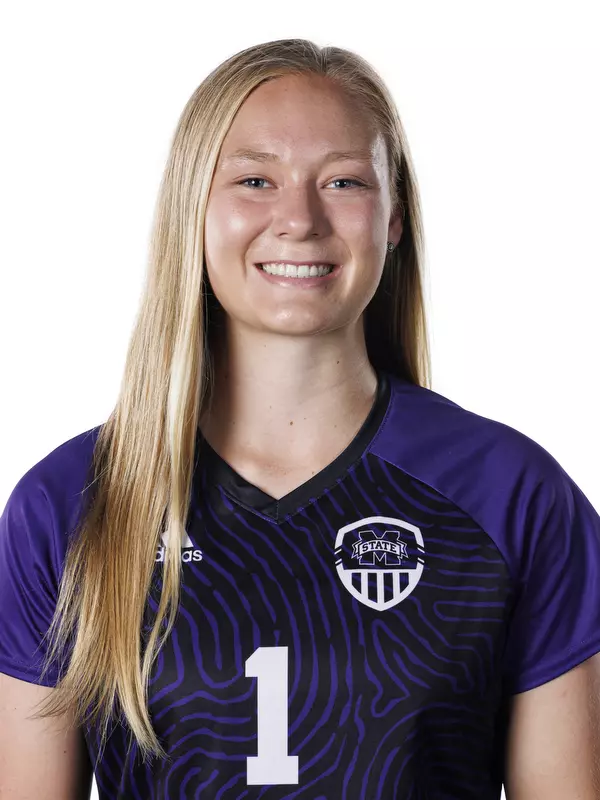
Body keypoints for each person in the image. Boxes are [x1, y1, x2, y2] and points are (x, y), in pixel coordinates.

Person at [1, 38, 599, 800]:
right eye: (255, 179)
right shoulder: (72, 504)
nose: (299, 219)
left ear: (393, 218)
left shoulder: (509, 495)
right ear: (195, 208)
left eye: (344, 181)